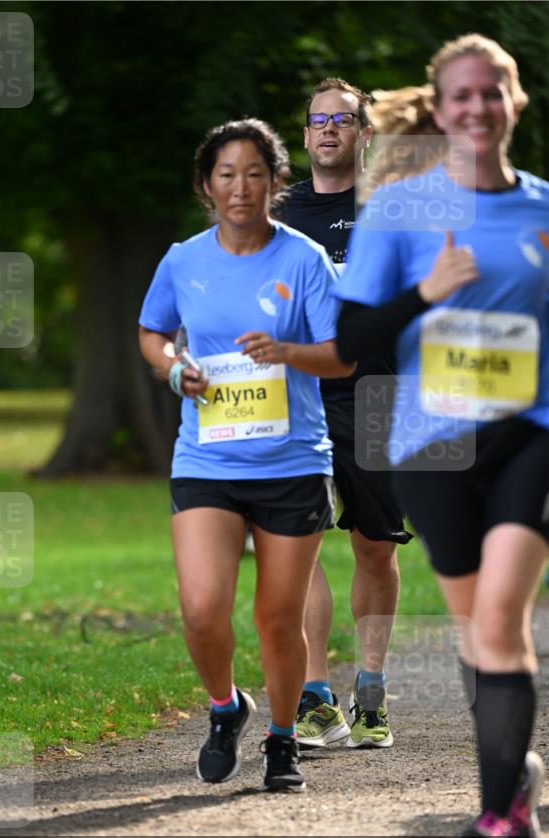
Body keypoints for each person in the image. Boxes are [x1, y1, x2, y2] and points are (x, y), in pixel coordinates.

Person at [333, 35, 548, 838]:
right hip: (432, 439)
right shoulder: (397, 211)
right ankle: (516, 779)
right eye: (460, 96)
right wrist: (426, 292)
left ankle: (495, 815)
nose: (475, 108)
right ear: (440, 105)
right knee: (477, 628)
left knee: (498, 617)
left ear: (513, 101)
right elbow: (349, 342)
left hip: (531, 430)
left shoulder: (542, 210)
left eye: (490, 92)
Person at [138, 119, 354, 792]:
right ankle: (226, 707)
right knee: (202, 609)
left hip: (292, 463)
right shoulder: (182, 260)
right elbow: (153, 333)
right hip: (207, 459)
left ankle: (283, 739)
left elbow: (341, 356)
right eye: (226, 175)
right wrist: (176, 371)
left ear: (275, 182)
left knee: (275, 617)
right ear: (206, 186)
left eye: (254, 173)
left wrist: (286, 352)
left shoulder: (302, 261)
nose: (240, 188)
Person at [277, 78, 413, 752]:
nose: (328, 128)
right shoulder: (273, 213)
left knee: (373, 547)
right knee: (296, 544)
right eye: (316, 119)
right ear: (303, 135)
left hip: (380, 393)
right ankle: (314, 698)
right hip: (296, 395)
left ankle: (370, 690)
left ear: (364, 133)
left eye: (342, 119)